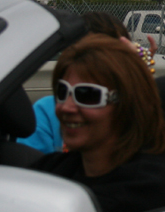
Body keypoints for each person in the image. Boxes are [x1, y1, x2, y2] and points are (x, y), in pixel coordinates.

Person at [34, 34, 165, 212]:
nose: (66, 107)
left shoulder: (146, 187)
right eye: (62, 92)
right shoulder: (54, 168)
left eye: (87, 95)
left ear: (127, 104)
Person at [19, 11, 156, 154]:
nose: (68, 108)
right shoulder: (47, 111)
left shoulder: (132, 111)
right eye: (63, 91)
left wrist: (138, 74)